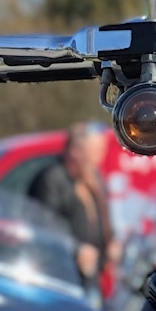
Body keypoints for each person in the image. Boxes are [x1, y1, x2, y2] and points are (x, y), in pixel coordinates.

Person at [24, 122, 115, 289]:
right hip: (58, 275)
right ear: (76, 151)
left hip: (89, 277)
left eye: (102, 151)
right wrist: (76, 249)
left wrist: (110, 244)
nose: (100, 158)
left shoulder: (94, 179)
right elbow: (44, 225)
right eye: (95, 152)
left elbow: (103, 222)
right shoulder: (52, 179)